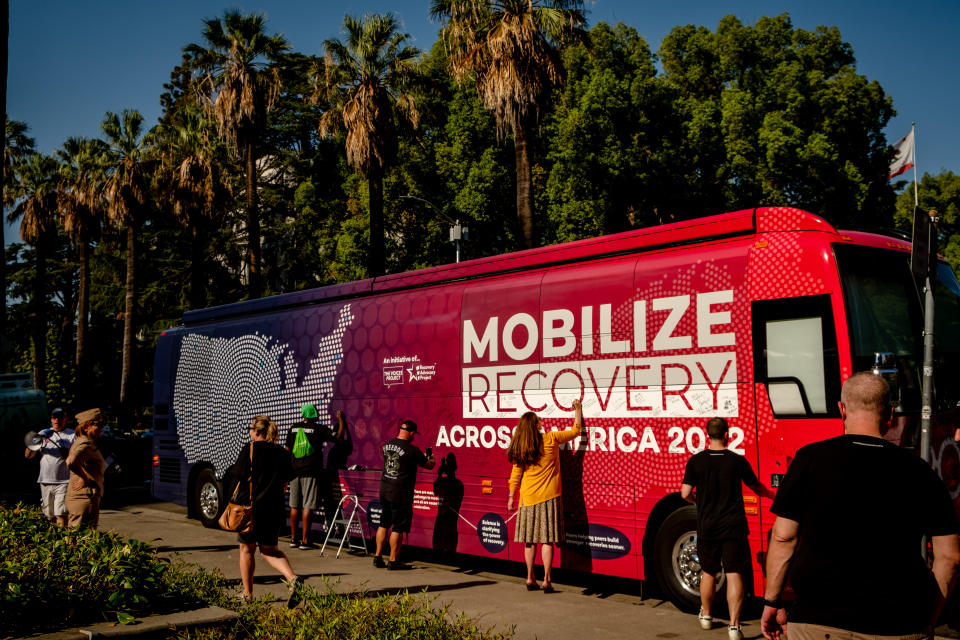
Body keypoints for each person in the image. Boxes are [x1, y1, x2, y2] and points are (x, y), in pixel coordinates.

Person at [761, 372, 960, 640]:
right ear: (890, 415)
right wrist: (929, 619)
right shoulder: (920, 471)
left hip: (817, 624)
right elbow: (950, 557)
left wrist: (772, 602)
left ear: (841, 410)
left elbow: (784, 536)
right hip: (900, 625)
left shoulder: (809, 459)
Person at [680, 417, 774, 639]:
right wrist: (771, 495)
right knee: (734, 573)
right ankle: (734, 626)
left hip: (707, 525)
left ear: (706, 435)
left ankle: (706, 616)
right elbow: (756, 486)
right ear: (727, 435)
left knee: (708, 572)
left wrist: (698, 503)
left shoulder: (696, 461)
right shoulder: (737, 461)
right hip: (733, 526)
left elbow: (685, 493)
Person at [506, 399, 583, 593]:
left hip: (528, 498)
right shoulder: (551, 439)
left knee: (530, 541)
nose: (542, 421)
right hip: (549, 498)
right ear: (536, 425)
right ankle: (547, 580)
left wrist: (511, 496)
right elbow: (576, 431)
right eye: (539, 420)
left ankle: (530, 577)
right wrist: (578, 410)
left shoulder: (522, 446)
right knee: (547, 541)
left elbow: (516, 474)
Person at [231, 415, 302, 606]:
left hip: (252, 509)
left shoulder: (250, 449)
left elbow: (238, 474)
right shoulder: (281, 452)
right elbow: (288, 479)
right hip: (275, 509)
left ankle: (247, 593)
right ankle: (292, 578)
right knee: (269, 550)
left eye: (250, 429)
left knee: (246, 549)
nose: (249, 432)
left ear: (257, 431)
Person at [373, 419, 435, 569]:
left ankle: (377, 557)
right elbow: (429, 465)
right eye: (414, 434)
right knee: (398, 527)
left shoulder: (386, 444)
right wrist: (431, 458)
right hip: (401, 494)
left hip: (385, 490)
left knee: (383, 523)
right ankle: (393, 561)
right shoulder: (412, 450)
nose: (414, 436)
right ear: (411, 433)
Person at [284, 404, 345, 549]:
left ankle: (293, 539)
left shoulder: (293, 428)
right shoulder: (318, 429)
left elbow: (287, 450)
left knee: (294, 506)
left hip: (293, 472)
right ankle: (305, 541)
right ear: (313, 414)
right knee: (307, 506)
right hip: (310, 472)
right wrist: (341, 421)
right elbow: (338, 437)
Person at [24, 407, 75, 526]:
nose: (57, 420)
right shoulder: (43, 433)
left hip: (64, 481)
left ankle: (63, 542)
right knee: (49, 516)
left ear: (66, 419)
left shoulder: (72, 435)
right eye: (54, 417)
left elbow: (78, 457)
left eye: (60, 417)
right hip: (45, 480)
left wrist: (67, 453)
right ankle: (54, 541)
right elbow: (28, 456)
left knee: (61, 515)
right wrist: (32, 444)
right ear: (51, 419)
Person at [65, 408, 106, 529]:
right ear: (86, 427)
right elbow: (70, 462)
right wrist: (84, 477)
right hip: (83, 497)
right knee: (77, 538)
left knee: (87, 538)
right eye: (99, 424)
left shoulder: (89, 442)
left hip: (89, 496)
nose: (102, 428)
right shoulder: (84, 443)